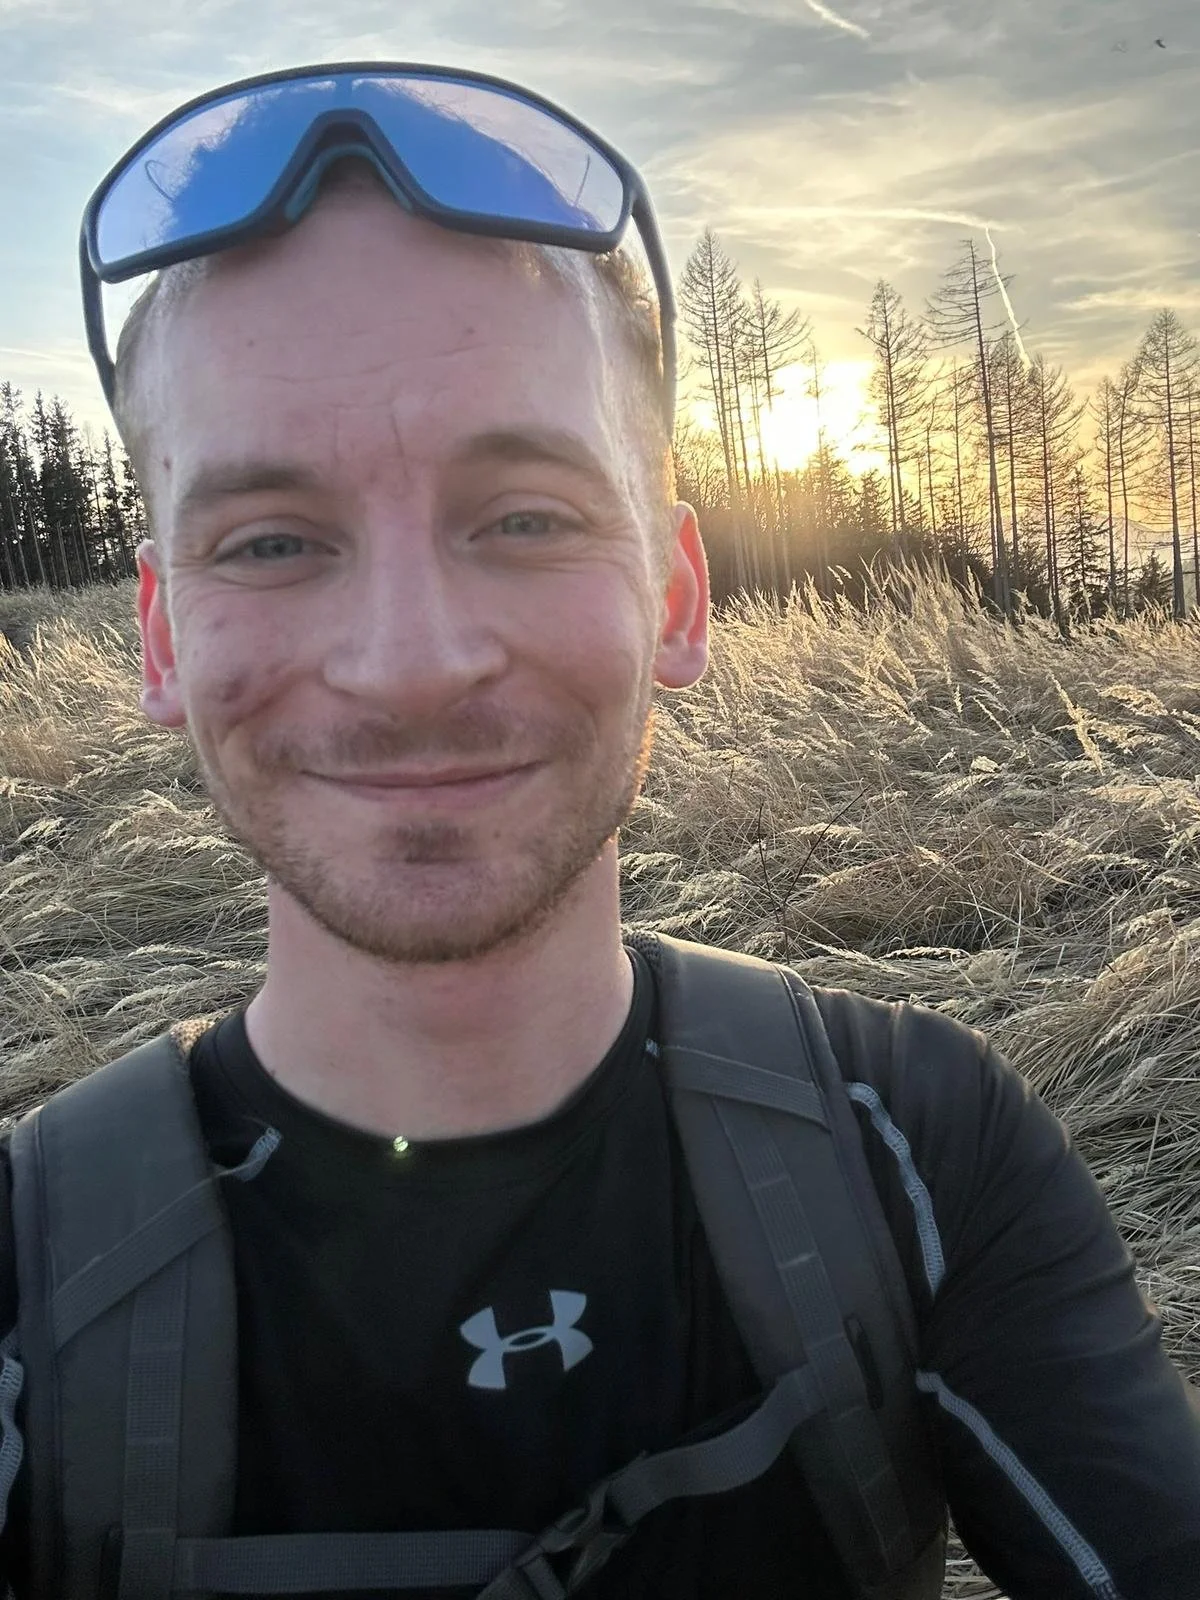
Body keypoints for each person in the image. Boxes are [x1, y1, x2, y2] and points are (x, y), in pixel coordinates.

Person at [1, 60, 1198, 1600]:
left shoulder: (919, 1155)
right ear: (162, 642)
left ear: (679, 597)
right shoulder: (28, 1279)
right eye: (274, 540)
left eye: (527, 516)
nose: (411, 660)